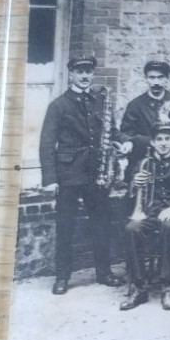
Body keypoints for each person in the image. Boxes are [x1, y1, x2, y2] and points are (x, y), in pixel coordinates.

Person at [39, 55, 129, 295]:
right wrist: (50, 179)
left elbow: (113, 131)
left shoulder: (100, 101)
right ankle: (62, 277)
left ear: (92, 73)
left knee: (102, 224)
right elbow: (47, 143)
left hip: (96, 173)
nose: (84, 75)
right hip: (68, 174)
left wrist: (125, 142)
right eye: (79, 71)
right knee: (65, 225)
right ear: (71, 73)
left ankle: (104, 272)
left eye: (88, 71)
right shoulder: (58, 105)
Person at [119, 121, 170, 311]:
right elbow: (130, 192)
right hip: (149, 212)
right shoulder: (143, 162)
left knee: (169, 227)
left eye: (168, 139)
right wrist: (135, 182)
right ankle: (139, 287)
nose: (163, 143)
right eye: (159, 139)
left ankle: (167, 285)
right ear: (152, 142)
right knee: (132, 229)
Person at [119, 60, 170, 156]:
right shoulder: (135, 105)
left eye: (160, 77)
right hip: (144, 155)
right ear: (145, 79)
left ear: (167, 78)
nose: (156, 82)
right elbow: (127, 133)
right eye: (152, 78)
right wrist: (147, 141)